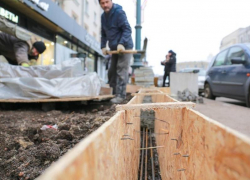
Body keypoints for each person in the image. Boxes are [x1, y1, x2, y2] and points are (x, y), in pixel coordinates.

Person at [99, 0, 133, 104]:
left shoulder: (119, 12)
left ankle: (121, 96)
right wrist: (103, 46)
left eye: (107, 2)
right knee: (111, 71)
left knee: (121, 70)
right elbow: (103, 33)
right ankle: (114, 93)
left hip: (125, 47)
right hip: (114, 49)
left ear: (111, 1)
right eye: (102, 3)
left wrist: (122, 43)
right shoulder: (103, 17)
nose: (105, 5)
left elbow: (127, 29)